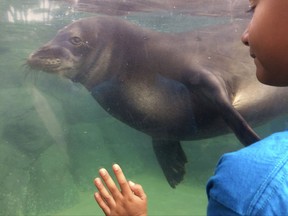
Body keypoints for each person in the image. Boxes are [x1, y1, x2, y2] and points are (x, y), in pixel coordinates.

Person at [94, 0, 288, 215]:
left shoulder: (248, 185)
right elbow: (163, 105)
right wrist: (164, 135)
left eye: (253, 9)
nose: (243, 34)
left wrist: (255, 150)